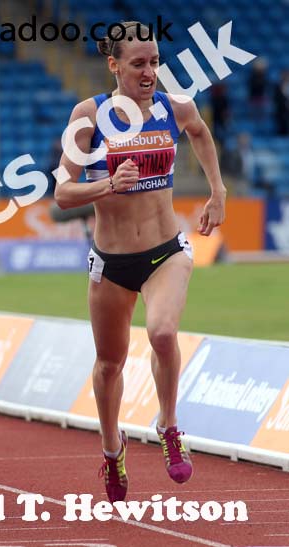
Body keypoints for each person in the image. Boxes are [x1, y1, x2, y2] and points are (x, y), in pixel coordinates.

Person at [53, 22, 226, 503]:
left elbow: (200, 133)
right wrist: (108, 183)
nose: (149, 72)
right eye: (138, 64)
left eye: (155, 62)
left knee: (163, 334)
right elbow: (62, 193)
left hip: (165, 251)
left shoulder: (176, 107)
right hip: (110, 262)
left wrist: (217, 191)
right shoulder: (89, 115)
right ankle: (113, 449)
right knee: (109, 364)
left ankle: (168, 425)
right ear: (114, 65)